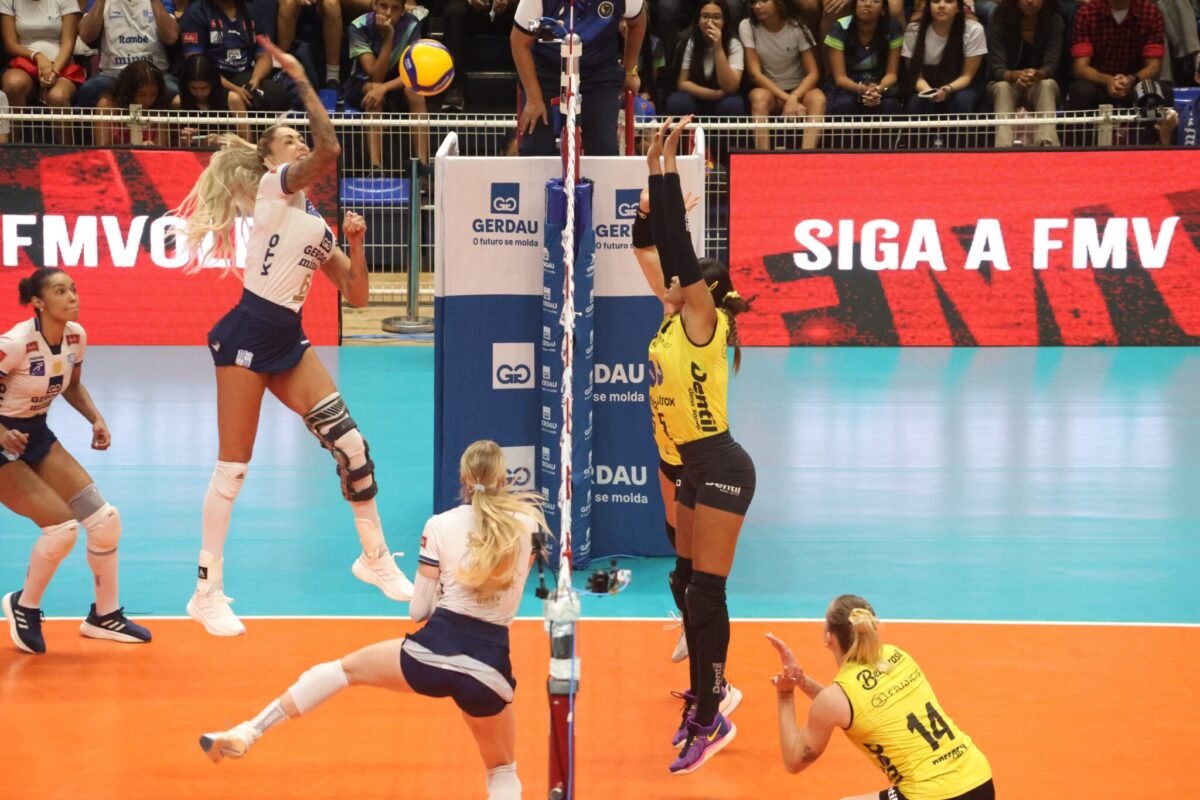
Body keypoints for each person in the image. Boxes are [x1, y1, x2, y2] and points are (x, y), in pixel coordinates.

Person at [173, 38, 414, 638]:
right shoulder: (274, 189)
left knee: (352, 447)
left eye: (297, 138)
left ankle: (375, 558)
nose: (299, 144)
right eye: (288, 139)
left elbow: (355, 296)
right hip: (247, 334)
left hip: (288, 340)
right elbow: (330, 147)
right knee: (233, 469)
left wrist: (355, 244)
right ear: (270, 159)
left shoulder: (314, 225)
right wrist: (304, 81)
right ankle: (206, 591)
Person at [197, 439, 545, 800]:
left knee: (340, 671)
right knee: (502, 770)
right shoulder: (528, 526)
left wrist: (444, 588)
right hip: (487, 670)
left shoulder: (440, 525)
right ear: (506, 479)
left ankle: (249, 731)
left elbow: (419, 612)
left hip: (430, 655)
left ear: (461, 477)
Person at [633, 116, 755, 775]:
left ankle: (714, 713)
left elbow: (675, 248)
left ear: (701, 289)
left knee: (708, 593)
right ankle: (707, 693)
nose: (670, 283)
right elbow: (651, 247)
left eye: (683, 280)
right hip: (688, 468)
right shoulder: (672, 320)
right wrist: (651, 173)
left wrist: (670, 171)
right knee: (684, 581)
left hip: (722, 466)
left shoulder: (703, 322)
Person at [0, 268, 152, 655]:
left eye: (73, 289)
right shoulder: (15, 343)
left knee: (105, 522)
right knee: (61, 529)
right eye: (60, 291)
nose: (72, 297)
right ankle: (24, 605)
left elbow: (72, 384)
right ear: (38, 302)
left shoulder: (74, 337)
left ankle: (105, 615)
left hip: (35, 435)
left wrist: (96, 418)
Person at [766, 595, 995, 800]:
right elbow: (855, 707)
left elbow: (794, 761)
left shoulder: (836, 699)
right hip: (979, 779)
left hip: (932, 795)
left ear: (829, 638)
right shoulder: (897, 655)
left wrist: (786, 694)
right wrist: (802, 682)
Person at [511, 0, 647, 156]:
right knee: (536, 148)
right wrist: (534, 98)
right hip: (546, 71)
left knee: (603, 147)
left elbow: (638, 22)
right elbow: (519, 42)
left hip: (600, 72)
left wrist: (630, 70)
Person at [1065, 0, 1169, 145]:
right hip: (1098, 83)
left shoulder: (1150, 12)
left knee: (1160, 90)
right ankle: (1077, 154)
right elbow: (1080, 68)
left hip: (1133, 83)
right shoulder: (1087, 12)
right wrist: (1108, 80)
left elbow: (1154, 66)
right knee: (1080, 90)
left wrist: (1131, 79)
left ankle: (1154, 152)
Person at [344, 0, 429, 169]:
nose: (389, 12)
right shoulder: (358, 26)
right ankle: (376, 169)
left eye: (395, 8)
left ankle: (423, 167)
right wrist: (389, 37)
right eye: (383, 6)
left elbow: (414, 72)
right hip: (362, 83)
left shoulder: (412, 25)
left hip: (397, 82)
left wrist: (385, 88)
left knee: (416, 93)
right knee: (374, 90)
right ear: (374, 5)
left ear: (403, 10)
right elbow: (375, 75)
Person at [741, 0, 825, 150]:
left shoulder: (797, 26)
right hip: (771, 92)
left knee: (818, 98)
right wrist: (788, 99)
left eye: (764, 1)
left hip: (798, 91)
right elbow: (754, 74)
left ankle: (806, 159)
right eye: (754, 2)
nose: (757, 6)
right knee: (759, 97)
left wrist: (794, 97)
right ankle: (763, 160)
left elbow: (813, 73)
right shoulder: (747, 26)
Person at [180, 0, 292, 112]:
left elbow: (264, 56)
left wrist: (255, 79)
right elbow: (195, 63)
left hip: (243, 74)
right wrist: (235, 89)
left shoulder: (252, 12)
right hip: (212, 77)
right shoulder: (196, 12)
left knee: (276, 95)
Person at [902, 0, 987, 146]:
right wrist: (929, 92)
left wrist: (948, 89)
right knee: (917, 103)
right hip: (926, 85)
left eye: (948, 1)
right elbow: (915, 75)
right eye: (935, 1)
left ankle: (962, 152)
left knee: (962, 101)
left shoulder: (973, 29)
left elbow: (967, 76)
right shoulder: (913, 30)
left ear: (958, 8)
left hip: (961, 84)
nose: (941, 5)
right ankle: (916, 154)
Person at [74, 0, 180, 110]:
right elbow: (86, 36)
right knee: (89, 90)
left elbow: (171, 37)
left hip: (154, 73)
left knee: (173, 90)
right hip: (113, 74)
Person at [985, 0, 1062, 146]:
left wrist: (1037, 74)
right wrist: (1015, 75)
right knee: (1002, 87)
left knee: (1047, 85)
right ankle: (1003, 148)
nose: (1030, 1)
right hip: (1007, 82)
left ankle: (1047, 145)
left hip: (1038, 82)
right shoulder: (999, 18)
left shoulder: (1054, 20)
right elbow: (996, 68)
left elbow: (1052, 65)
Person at [0, 0, 83, 120]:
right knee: (13, 84)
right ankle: (13, 138)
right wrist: (37, 56)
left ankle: (67, 139)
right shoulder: (9, 1)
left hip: (61, 65)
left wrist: (53, 71)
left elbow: (68, 43)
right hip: (24, 64)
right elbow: (10, 44)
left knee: (57, 96)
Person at [664, 0, 747, 117]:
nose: (710, 22)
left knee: (732, 105)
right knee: (678, 102)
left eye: (716, 17)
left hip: (725, 96)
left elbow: (731, 86)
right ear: (698, 20)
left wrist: (718, 47)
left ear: (724, 21)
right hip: (697, 94)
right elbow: (682, 83)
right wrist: (714, 94)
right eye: (705, 16)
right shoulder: (689, 41)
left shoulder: (734, 44)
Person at [824, 0, 903, 119]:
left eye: (875, 1)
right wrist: (863, 90)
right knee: (844, 104)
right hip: (847, 87)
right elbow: (840, 78)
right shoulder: (840, 27)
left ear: (883, 10)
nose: (867, 4)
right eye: (862, 0)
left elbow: (891, 74)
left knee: (889, 104)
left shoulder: (893, 27)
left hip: (880, 85)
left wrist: (879, 89)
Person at [176, 53, 250, 146]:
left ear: (213, 83)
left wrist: (223, 140)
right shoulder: (178, 102)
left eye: (204, 88)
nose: (199, 93)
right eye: (193, 88)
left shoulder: (232, 99)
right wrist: (183, 141)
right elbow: (170, 144)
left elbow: (247, 141)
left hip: (228, 156)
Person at [94, 61, 173, 146]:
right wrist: (134, 148)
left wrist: (150, 149)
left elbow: (160, 149)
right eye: (141, 95)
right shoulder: (107, 105)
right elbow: (102, 147)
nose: (148, 101)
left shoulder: (159, 107)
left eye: (153, 94)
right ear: (128, 91)